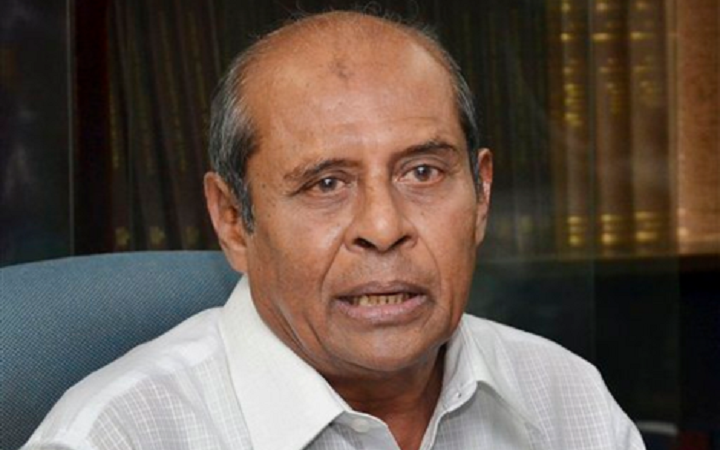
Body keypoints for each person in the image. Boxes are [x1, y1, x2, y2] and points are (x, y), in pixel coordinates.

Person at [24, 10, 645, 450]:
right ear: (233, 220)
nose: (383, 227)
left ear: (482, 196)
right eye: (326, 184)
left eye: (423, 172)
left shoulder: (566, 398)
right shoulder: (114, 437)